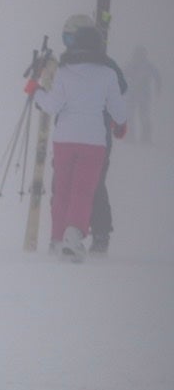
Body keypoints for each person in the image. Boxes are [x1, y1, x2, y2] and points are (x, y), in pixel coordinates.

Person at [29, 24, 127, 261]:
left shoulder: (64, 72)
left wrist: (35, 90)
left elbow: (51, 106)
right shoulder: (108, 74)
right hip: (93, 141)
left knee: (61, 189)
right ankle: (73, 239)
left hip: (64, 139)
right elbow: (119, 114)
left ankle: (56, 238)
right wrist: (120, 126)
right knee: (83, 191)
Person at [62, 15, 128, 254]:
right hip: (70, 134)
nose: (67, 42)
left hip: (96, 135)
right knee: (71, 183)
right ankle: (68, 233)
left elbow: (119, 90)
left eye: (70, 37)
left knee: (93, 183)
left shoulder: (104, 66)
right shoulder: (69, 62)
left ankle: (99, 233)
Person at [122, 45, 161, 144]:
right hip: (137, 95)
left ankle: (141, 138)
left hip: (139, 95)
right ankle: (140, 138)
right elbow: (157, 78)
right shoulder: (145, 66)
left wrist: (158, 88)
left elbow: (157, 77)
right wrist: (158, 88)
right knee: (139, 116)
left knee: (141, 116)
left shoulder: (143, 66)